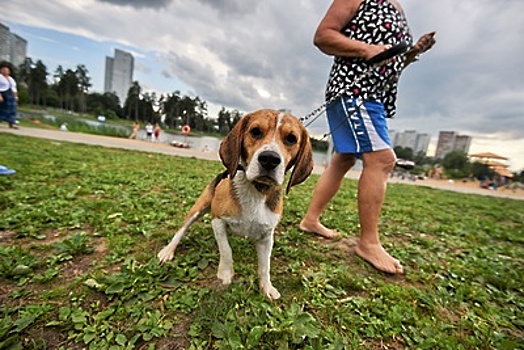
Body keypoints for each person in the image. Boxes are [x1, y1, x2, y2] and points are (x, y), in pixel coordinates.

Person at [300, 0, 436, 274]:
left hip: (373, 96)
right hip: (356, 91)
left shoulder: (398, 7)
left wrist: (413, 52)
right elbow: (323, 35)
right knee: (383, 160)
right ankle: (369, 243)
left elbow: (391, 61)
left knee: (344, 159)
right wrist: (367, 49)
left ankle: (310, 220)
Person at [0, 61, 19, 129]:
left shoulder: (11, 79)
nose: (5, 71)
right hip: (3, 93)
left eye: (7, 70)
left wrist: (16, 96)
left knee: (12, 109)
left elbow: (14, 88)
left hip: (11, 95)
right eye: (3, 69)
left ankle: (12, 123)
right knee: (2, 109)